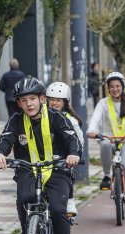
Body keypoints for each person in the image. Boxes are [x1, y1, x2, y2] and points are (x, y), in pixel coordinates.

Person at [0, 76, 82, 234]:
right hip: (28, 168)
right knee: (24, 198)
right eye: (23, 100)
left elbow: (71, 138)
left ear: (42, 98)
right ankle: (28, 233)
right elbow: (6, 138)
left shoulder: (57, 117)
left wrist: (74, 154)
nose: (28, 104)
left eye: (32, 99)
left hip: (57, 169)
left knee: (59, 211)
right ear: (18, 103)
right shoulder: (16, 120)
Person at [87, 72, 125, 209]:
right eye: (111, 86)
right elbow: (95, 119)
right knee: (105, 144)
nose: (114, 89)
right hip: (109, 139)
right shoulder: (103, 103)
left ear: (122, 87)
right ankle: (107, 176)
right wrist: (92, 131)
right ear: (108, 88)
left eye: (117, 86)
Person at [46, 81, 84, 217]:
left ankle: (69, 199)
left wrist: (75, 155)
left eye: (58, 100)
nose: (54, 103)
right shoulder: (43, 117)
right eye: (51, 99)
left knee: (67, 171)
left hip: (64, 157)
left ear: (65, 102)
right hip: (44, 157)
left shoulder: (72, 121)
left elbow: (79, 141)